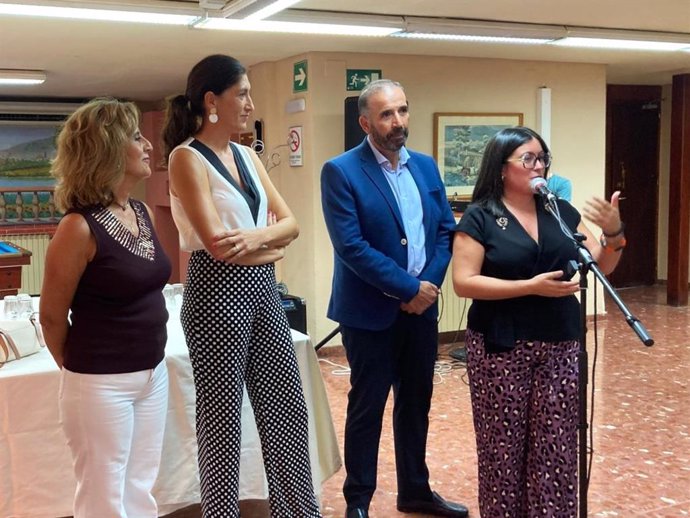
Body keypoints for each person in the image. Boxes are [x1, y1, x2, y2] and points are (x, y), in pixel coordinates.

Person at [161, 54, 321, 518]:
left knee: (286, 412)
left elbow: (292, 224)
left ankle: (298, 512)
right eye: (243, 93)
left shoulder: (249, 156)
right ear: (212, 101)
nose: (251, 102)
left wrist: (255, 240)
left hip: (263, 290)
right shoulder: (185, 157)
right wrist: (270, 244)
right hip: (215, 297)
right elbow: (216, 245)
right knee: (222, 422)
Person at [452, 126, 624, 517]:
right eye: (527, 159)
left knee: (557, 449)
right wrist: (529, 286)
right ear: (501, 168)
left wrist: (614, 231)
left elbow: (599, 265)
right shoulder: (480, 216)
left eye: (542, 158)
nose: (538, 166)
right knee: (503, 451)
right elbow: (464, 282)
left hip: (561, 344)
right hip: (502, 346)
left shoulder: (560, 213)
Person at [321, 79, 468, 518]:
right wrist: (408, 288)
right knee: (368, 405)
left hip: (422, 310)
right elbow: (351, 247)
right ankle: (358, 500)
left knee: (416, 401)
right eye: (386, 114)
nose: (398, 121)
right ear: (365, 121)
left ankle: (415, 490)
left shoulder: (424, 166)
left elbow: (444, 230)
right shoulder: (342, 171)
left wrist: (428, 286)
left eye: (402, 111)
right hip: (369, 314)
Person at [40, 98, 172, 518]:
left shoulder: (141, 211)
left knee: (140, 485)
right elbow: (51, 316)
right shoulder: (77, 227)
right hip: (100, 382)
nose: (148, 144)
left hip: (153, 372)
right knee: (103, 495)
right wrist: (83, 371)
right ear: (108, 149)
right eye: (136, 137)